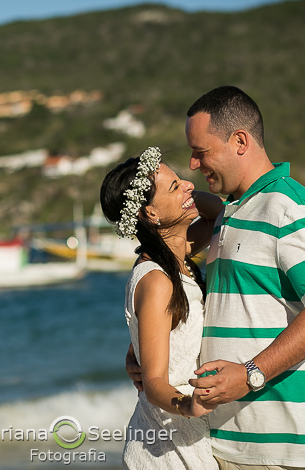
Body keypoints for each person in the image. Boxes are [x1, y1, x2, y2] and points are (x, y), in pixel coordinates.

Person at [127, 86, 305, 470]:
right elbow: (173, 272)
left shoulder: (290, 209)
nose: (194, 165)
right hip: (223, 442)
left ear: (240, 141)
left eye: (201, 152)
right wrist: (147, 354)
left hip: (286, 444)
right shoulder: (232, 212)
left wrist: (250, 375)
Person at [100, 146, 223, 469]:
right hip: (166, 443)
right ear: (150, 214)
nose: (188, 185)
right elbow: (154, 382)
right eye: (174, 186)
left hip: (182, 435)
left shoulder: (178, 253)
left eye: (182, 180)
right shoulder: (156, 279)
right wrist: (188, 405)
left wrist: (136, 346)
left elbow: (220, 212)